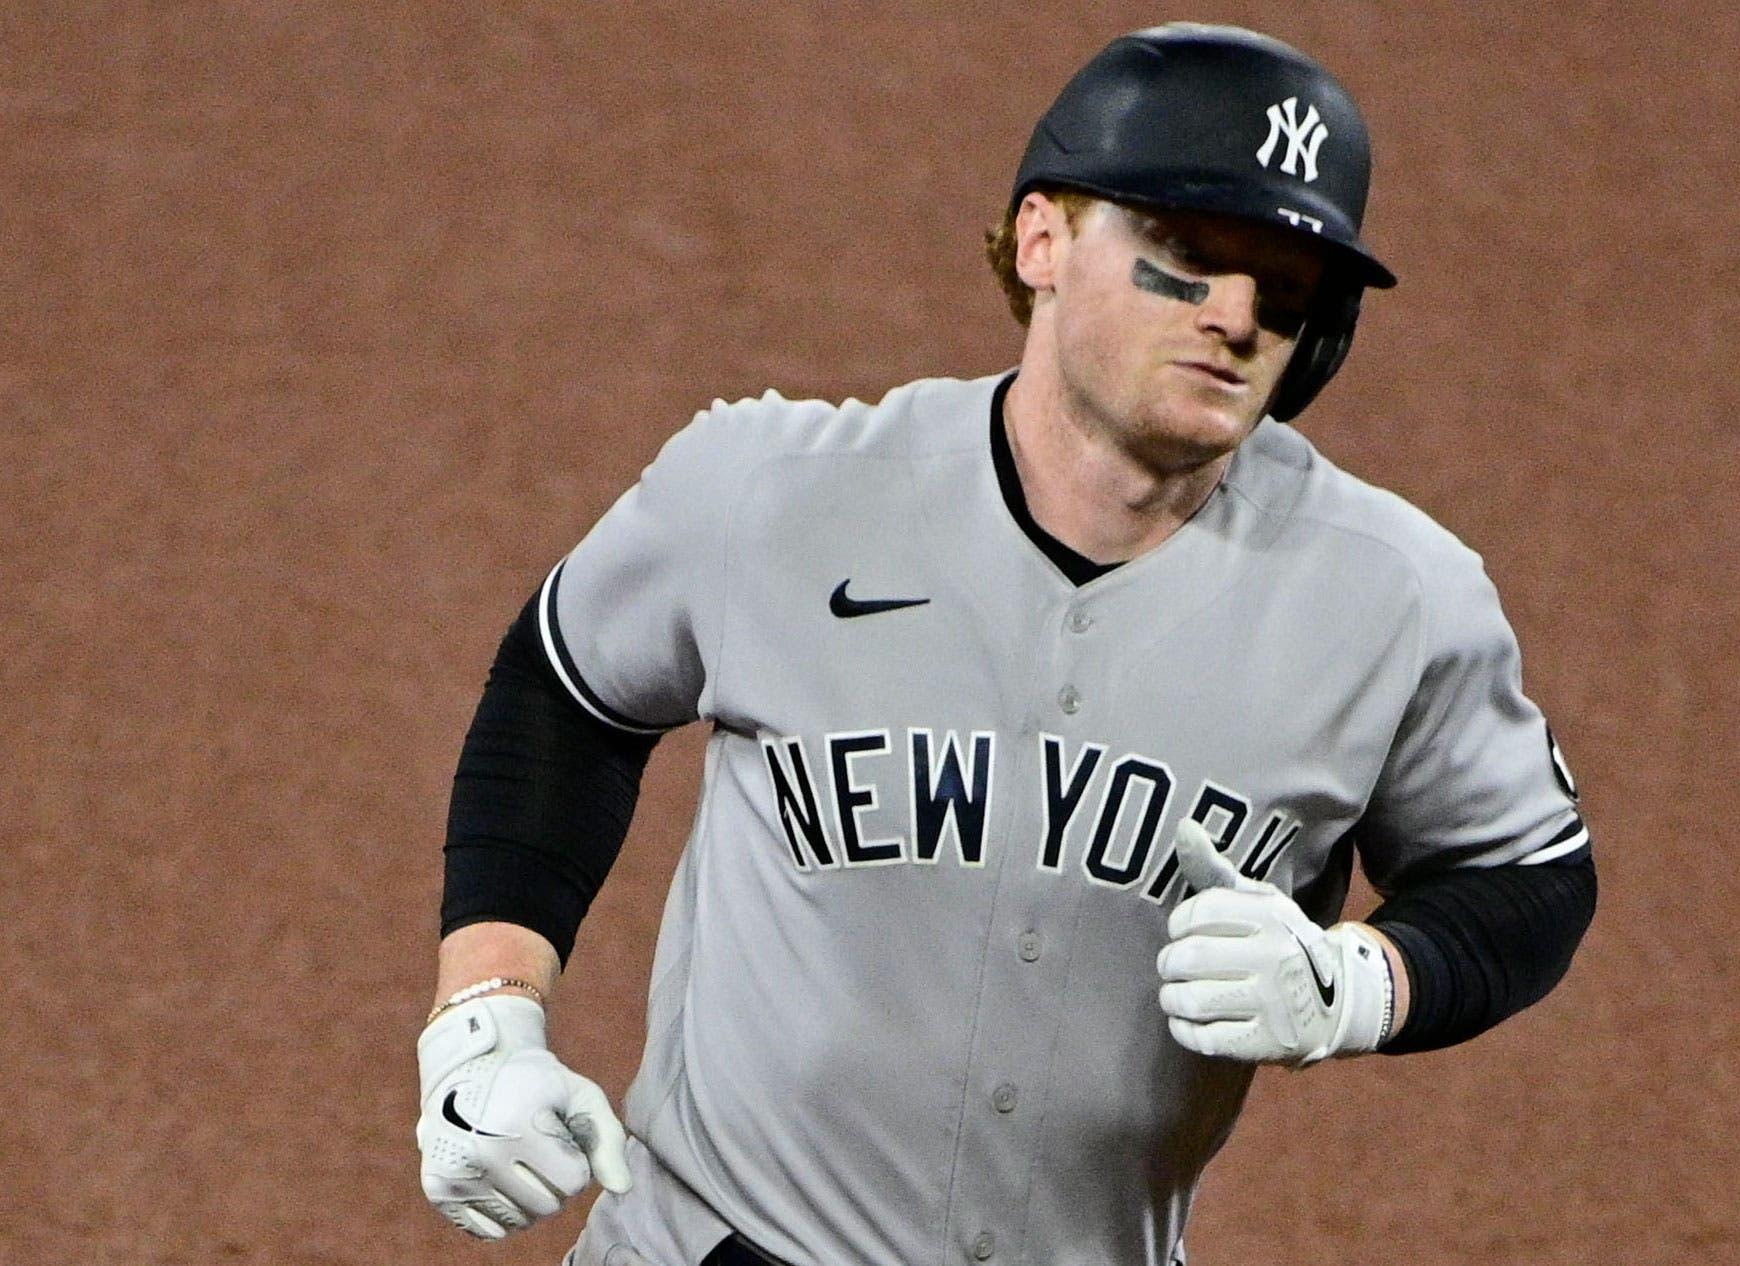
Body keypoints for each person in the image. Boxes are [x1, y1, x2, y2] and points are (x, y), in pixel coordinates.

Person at [415, 23, 1597, 1266]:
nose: (1238, 317)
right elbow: (565, 690)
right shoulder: (773, 491)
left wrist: (1364, 981)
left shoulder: (1396, 599)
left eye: (1288, 292)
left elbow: (1528, 876)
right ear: (1041, 239)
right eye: (1187, 258)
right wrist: (484, 1018)